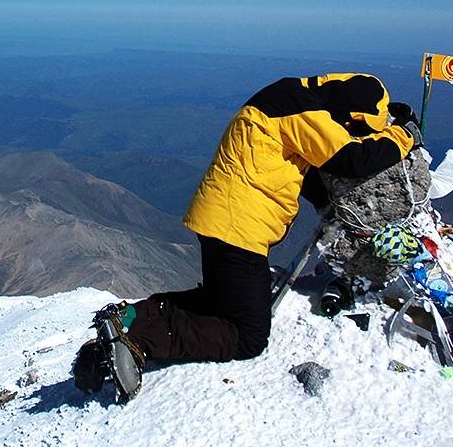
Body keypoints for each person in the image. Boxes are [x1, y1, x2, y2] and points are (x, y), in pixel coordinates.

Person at [75, 72, 421, 397]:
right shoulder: (304, 110)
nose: (350, 131)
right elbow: (352, 159)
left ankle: (129, 320)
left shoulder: (291, 98)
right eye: (354, 125)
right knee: (247, 336)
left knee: (219, 301)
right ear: (349, 109)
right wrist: (404, 136)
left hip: (222, 218)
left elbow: (304, 167)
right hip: (238, 227)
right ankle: (138, 342)